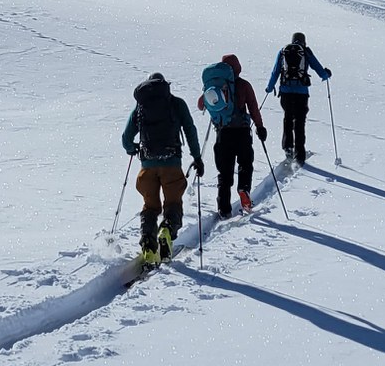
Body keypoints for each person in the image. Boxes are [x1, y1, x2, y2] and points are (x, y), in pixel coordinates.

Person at [121, 72, 204, 266]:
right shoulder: (176, 103)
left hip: (147, 167)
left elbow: (126, 137)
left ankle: (149, 248)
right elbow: (190, 130)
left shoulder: (141, 107)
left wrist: (132, 149)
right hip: (171, 164)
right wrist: (197, 157)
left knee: (150, 207)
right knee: (173, 203)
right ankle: (166, 230)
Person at [198, 53, 267, 218]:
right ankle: (244, 189)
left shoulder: (215, 86)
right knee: (245, 163)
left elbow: (201, 105)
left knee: (224, 171)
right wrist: (260, 127)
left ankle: (224, 208)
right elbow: (253, 107)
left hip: (223, 133)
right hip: (242, 132)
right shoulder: (244, 85)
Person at [266, 31, 330, 163]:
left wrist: (270, 86)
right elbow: (317, 67)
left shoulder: (283, 51)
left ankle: (287, 148)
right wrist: (325, 75)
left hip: (285, 92)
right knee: (300, 122)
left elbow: (276, 70)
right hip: (301, 93)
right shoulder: (305, 51)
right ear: (304, 41)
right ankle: (299, 154)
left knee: (288, 118)